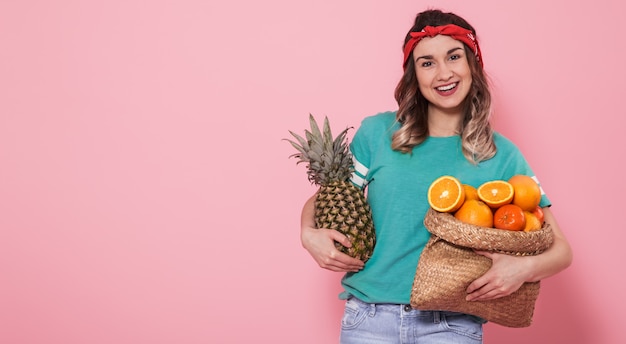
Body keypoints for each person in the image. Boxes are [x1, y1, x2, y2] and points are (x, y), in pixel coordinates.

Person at [299, 8, 573, 344]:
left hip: (452, 325)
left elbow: (561, 249)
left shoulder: (502, 155)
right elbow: (329, 197)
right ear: (414, 75)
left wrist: (521, 270)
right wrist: (307, 233)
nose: (443, 73)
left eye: (453, 57)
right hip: (370, 320)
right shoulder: (378, 134)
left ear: (473, 64)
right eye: (427, 62)